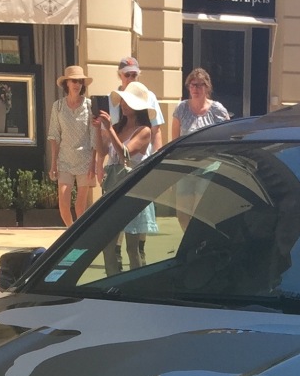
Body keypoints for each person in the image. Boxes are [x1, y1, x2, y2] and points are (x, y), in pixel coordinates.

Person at [96, 83, 158, 270]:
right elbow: (101, 150)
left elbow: (125, 154)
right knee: (108, 245)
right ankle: (112, 284)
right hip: (114, 189)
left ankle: (136, 286)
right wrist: (98, 128)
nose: (123, 104)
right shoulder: (117, 127)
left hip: (134, 189)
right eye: (122, 100)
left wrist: (109, 130)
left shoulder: (144, 131)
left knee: (133, 247)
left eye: (128, 101)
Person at [171, 68, 232, 230]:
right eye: (192, 85)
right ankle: (188, 241)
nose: (196, 88)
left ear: (207, 87)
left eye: (200, 85)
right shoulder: (181, 109)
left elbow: (228, 138)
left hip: (209, 167)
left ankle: (202, 245)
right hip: (185, 167)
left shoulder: (217, 110)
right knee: (182, 213)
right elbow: (175, 141)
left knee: (202, 212)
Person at [47, 65, 99, 227]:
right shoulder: (58, 106)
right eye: (73, 81)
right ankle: (71, 232)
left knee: (80, 207)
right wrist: (53, 163)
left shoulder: (90, 106)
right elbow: (54, 136)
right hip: (64, 160)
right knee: (63, 204)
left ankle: (78, 236)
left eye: (80, 81)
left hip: (85, 160)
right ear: (67, 83)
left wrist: (94, 163)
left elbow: (94, 137)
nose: (77, 84)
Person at [109, 55, 164, 140]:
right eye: (127, 75)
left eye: (134, 75)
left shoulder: (149, 96)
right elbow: (104, 132)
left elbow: (156, 130)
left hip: (143, 150)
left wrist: (157, 153)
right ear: (120, 75)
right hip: (116, 150)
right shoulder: (111, 99)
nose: (130, 78)